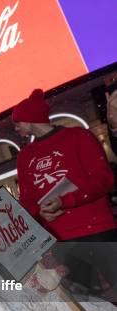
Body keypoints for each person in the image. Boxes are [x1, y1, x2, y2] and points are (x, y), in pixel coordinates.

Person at [13, 89, 117, 297]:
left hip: (98, 230)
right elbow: (27, 201)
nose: (15, 128)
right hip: (61, 240)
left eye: (17, 122)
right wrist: (38, 212)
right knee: (91, 307)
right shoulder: (24, 156)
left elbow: (104, 180)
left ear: (29, 119)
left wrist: (65, 200)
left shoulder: (79, 136)